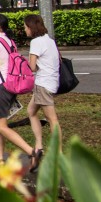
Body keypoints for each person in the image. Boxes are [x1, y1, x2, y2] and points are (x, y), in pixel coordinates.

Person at [0, 14, 43, 171]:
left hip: (0, 87)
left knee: (0, 126)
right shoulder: (9, 41)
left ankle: (31, 152)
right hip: (10, 86)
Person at [23, 14, 61, 152]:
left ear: (31, 27)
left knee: (52, 119)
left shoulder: (36, 42)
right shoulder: (49, 40)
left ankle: (58, 151)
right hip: (51, 82)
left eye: (26, 27)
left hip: (43, 83)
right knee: (31, 111)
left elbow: (32, 67)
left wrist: (28, 61)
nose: (25, 30)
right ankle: (39, 146)